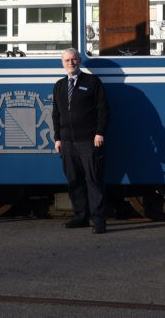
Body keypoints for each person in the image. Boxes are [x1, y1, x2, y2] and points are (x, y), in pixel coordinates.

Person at [51, 47, 110, 234]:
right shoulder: (59, 85)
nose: (71, 63)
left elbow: (103, 110)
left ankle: (99, 221)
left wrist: (100, 132)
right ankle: (80, 217)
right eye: (67, 60)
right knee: (74, 181)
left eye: (73, 59)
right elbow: (56, 114)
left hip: (89, 142)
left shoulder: (92, 82)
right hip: (67, 143)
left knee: (93, 181)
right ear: (62, 63)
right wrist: (57, 138)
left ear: (80, 60)